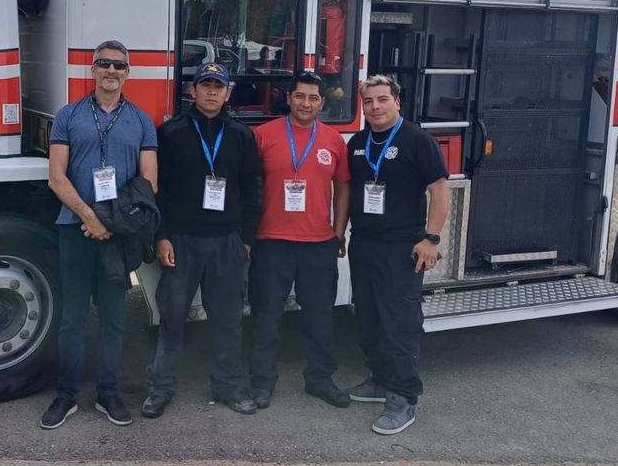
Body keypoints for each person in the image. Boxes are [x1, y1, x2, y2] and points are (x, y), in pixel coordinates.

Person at [41, 40, 158, 430]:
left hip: (117, 234)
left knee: (114, 319)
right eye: (105, 64)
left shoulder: (141, 121)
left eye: (119, 65)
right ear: (93, 70)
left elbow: (149, 182)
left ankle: (109, 393)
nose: (112, 71)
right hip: (75, 229)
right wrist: (89, 216)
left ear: (128, 72)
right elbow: (56, 177)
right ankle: (66, 395)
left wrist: (111, 222)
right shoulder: (68, 115)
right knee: (72, 318)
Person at [142, 62, 262, 418]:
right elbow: (156, 192)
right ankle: (160, 389)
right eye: (205, 85)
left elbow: (252, 189)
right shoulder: (171, 132)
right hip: (182, 240)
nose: (211, 92)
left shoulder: (241, 135)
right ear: (193, 91)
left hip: (227, 242)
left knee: (227, 319)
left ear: (228, 93)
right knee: (172, 316)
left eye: (218, 87)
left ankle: (227, 388)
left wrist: (247, 238)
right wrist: (161, 236)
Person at [345, 74, 450, 435]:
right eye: (369, 101)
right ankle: (378, 380)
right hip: (364, 244)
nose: (375, 107)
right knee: (368, 316)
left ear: (397, 102)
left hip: (403, 247)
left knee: (398, 323)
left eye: (382, 100)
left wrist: (431, 239)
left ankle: (403, 396)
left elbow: (439, 190)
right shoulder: (357, 143)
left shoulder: (418, 140)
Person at [248, 71, 351, 410]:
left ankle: (320, 379)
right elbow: (247, 187)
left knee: (320, 318)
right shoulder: (263, 136)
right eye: (300, 96)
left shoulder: (334, 140)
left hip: (318, 244)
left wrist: (338, 232)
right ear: (288, 98)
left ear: (322, 102)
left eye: (313, 97)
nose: (306, 103)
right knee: (266, 317)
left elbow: (343, 187)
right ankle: (262, 382)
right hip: (271, 242)